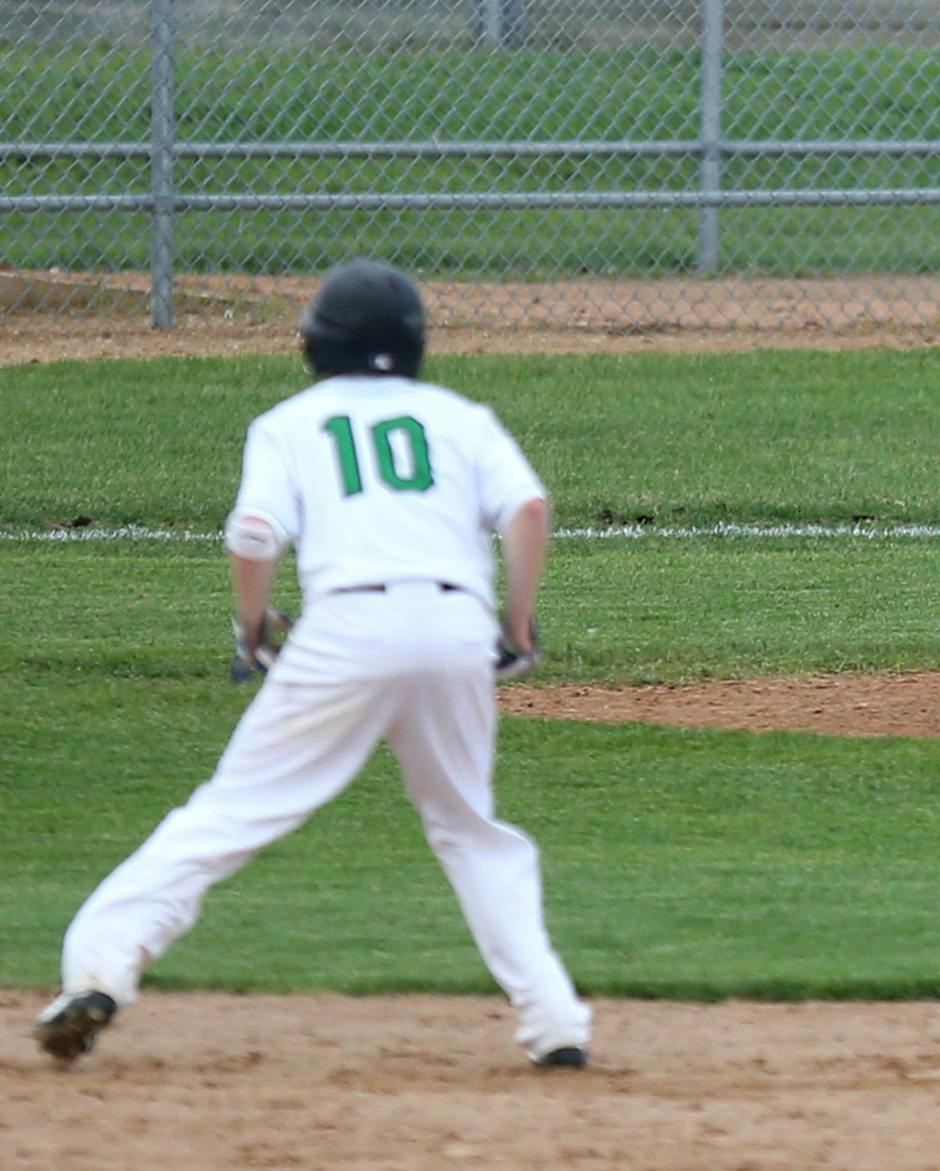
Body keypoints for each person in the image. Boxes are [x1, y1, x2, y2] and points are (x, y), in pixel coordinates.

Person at [32, 260, 592, 1068]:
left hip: (346, 628)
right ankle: (556, 1021)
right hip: (454, 626)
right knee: (471, 827)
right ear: (413, 343)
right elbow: (529, 508)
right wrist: (515, 624)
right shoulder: (460, 416)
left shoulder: (289, 422)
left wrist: (254, 628)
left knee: (230, 814)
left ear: (317, 343)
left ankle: (102, 967)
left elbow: (256, 533)